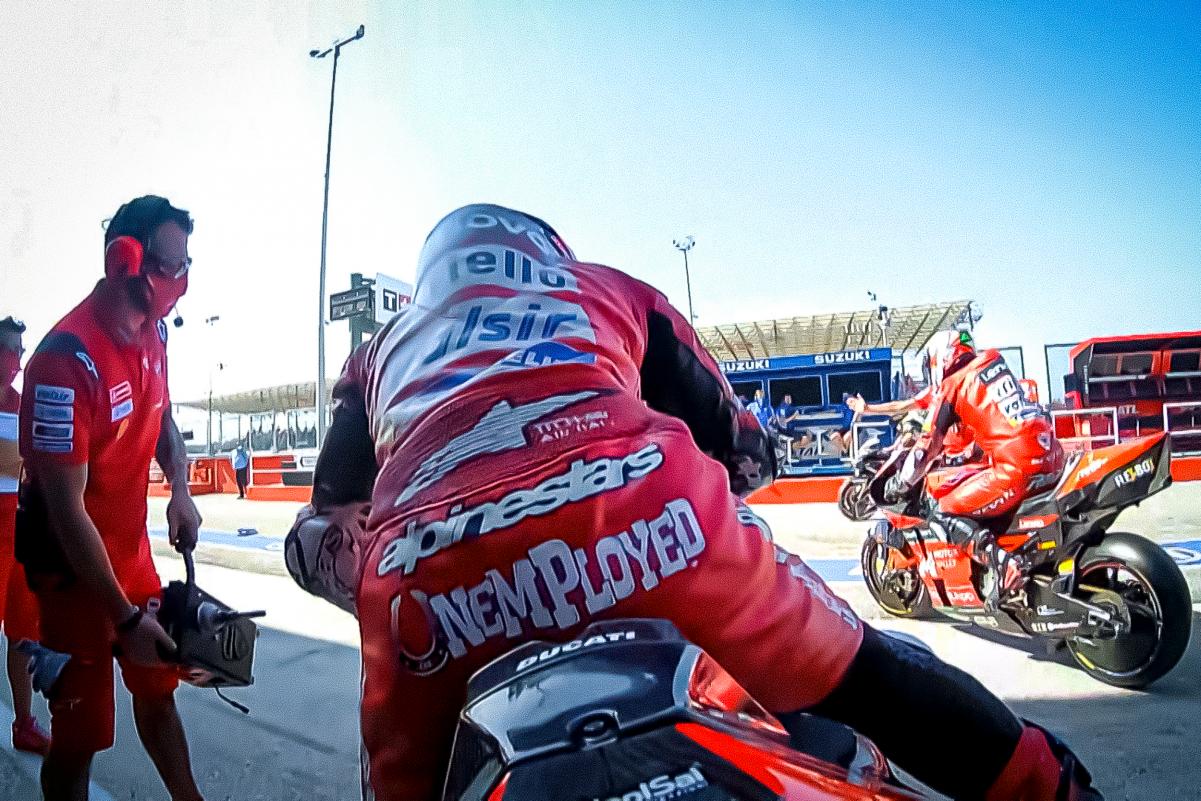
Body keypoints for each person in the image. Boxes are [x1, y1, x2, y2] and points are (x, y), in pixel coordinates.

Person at [291, 204, 1099, 801]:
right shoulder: (604, 287)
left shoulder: (378, 352)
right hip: (651, 526)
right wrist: (740, 468)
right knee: (872, 674)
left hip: (427, 595)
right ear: (542, 251)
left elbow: (324, 516)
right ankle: (1048, 788)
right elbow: (736, 439)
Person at [17, 196, 205, 801]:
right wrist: (123, 618)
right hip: (73, 579)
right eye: (170, 265)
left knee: (159, 695)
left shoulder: (156, 336)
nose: (180, 280)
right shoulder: (63, 361)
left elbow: (163, 419)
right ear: (124, 258)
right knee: (81, 739)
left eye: (186, 265)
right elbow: (65, 510)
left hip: (133, 559)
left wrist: (180, 490)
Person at [887, 330, 1064, 611]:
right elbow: (996, 421)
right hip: (1052, 454)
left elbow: (925, 449)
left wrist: (900, 482)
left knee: (943, 512)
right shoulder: (994, 361)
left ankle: (1004, 566)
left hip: (1015, 466)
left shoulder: (952, 385)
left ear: (940, 359)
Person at [0, 316, 51, 754]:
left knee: (23, 634)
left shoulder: (22, 405)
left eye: (19, 351)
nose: (15, 359)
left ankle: (24, 723)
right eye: (7, 350)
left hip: (19, 538)